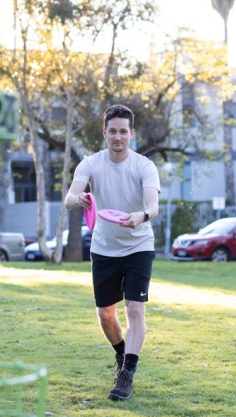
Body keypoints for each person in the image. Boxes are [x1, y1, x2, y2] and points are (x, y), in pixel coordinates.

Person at [64, 104, 160, 401]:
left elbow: (153, 207)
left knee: (134, 310)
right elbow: (69, 198)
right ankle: (122, 355)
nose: (117, 137)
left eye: (123, 131)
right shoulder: (90, 164)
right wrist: (79, 197)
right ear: (104, 133)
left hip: (138, 244)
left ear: (131, 134)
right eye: (112, 131)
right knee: (106, 314)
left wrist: (140, 217)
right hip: (104, 247)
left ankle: (126, 376)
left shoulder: (144, 166)